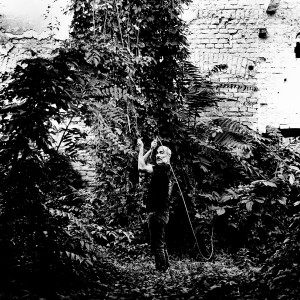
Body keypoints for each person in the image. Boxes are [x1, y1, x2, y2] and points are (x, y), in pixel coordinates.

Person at [137, 138, 172, 272]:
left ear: (168, 156)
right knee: (161, 243)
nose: (158, 155)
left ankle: (161, 271)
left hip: (157, 213)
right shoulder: (162, 168)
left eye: (161, 152)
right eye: (157, 152)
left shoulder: (163, 168)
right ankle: (166, 268)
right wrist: (150, 150)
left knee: (157, 245)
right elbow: (143, 164)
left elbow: (141, 167)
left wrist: (141, 148)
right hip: (160, 212)